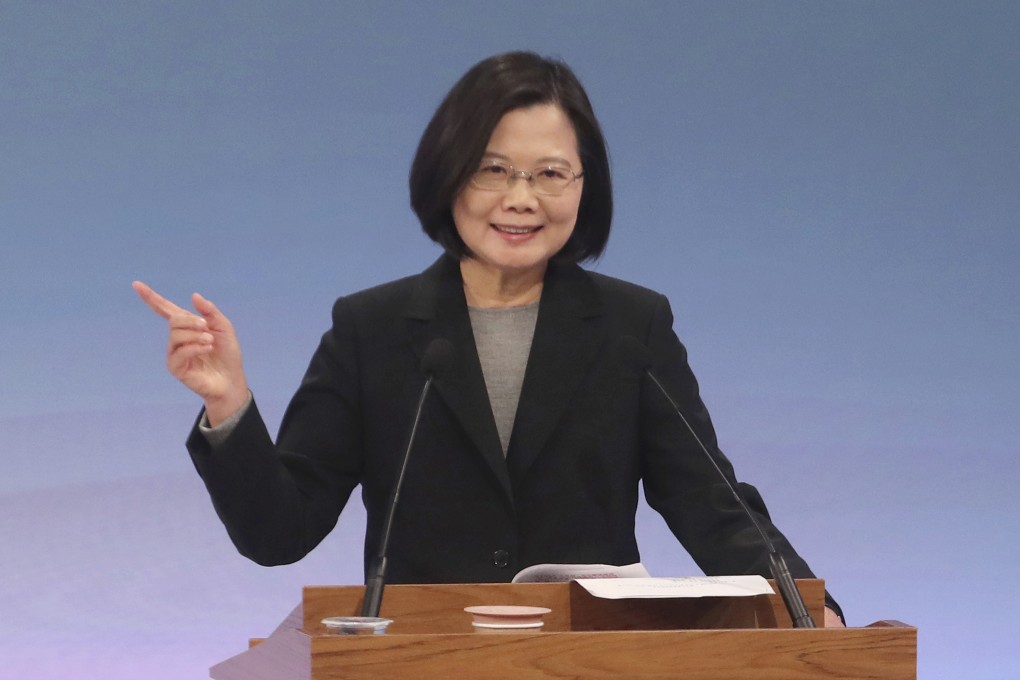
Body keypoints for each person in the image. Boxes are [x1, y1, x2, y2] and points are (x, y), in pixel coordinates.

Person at [134, 51, 843, 626]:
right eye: (493, 169)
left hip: (586, 662)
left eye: (550, 174)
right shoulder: (372, 329)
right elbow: (279, 531)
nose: (521, 198)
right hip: (420, 662)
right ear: (449, 175)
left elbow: (712, 503)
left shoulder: (634, 326)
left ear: (584, 186)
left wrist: (816, 613)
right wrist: (229, 406)